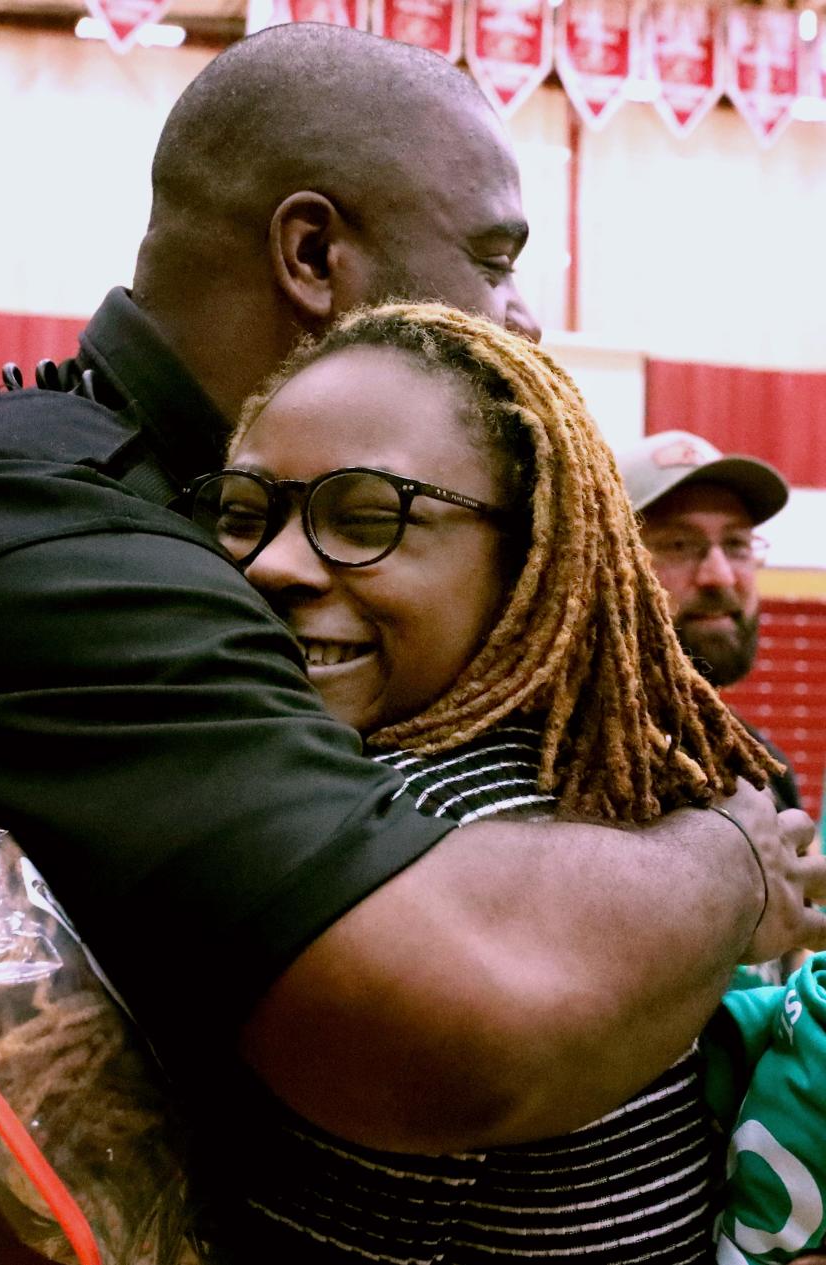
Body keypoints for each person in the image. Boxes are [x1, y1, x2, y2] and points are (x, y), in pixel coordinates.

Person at [0, 23, 823, 1264]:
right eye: (495, 257)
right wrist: (737, 857)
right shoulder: (38, 528)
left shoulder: (135, 505)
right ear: (314, 252)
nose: (522, 316)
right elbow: (450, 1018)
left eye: (361, 519)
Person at [180, 299, 794, 1261]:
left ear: (528, 563)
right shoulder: (612, 797)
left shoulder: (427, 834)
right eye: (243, 514)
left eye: (367, 516)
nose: (278, 564)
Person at [618, 429, 801, 811]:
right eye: (679, 545)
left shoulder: (762, 766)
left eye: (736, 544)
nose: (720, 575)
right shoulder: (566, 765)